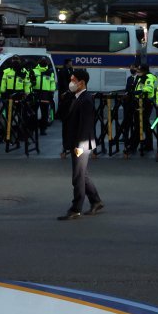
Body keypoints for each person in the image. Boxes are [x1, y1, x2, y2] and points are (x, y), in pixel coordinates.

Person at [57, 68, 105, 220]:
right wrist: (65, 98)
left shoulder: (86, 99)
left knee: (77, 177)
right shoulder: (74, 97)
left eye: (73, 80)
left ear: (81, 82)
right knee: (82, 175)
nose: (71, 83)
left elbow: (86, 125)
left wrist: (78, 146)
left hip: (82, 144)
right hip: (75, 142)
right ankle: (96, 201)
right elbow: (61, 116)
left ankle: (75, 208)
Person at [121, 63, 142, 159]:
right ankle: (126, 139)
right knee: (127, 123)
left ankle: (134, 144)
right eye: (130, 67)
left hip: (137, 104)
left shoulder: (140, 78)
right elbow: (127, 89)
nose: (131, 69)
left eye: (133, 67)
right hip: (128, 104)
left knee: (137, 124)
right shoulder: (129, 78)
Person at [32, 58, 57, 135]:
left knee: (45, 113)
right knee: (33, 112)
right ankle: (32, 129)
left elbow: (52, 82)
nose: (44, 62)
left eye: (45, 62)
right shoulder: (34, 70)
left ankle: (43, 129)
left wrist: (52, 91)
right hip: (35, 93)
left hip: (46, 94)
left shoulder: (50, 72)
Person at [137, 64, 157, 156]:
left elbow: (148, 88)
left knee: (145, 123)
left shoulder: (148, 77)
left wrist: (139, 91)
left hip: (147, 102)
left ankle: (149, 144)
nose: (138, 72)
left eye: (139, 70)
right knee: (144, 123)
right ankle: (147, 142)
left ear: (144, 70)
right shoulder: (143, 77)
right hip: (142, 101)